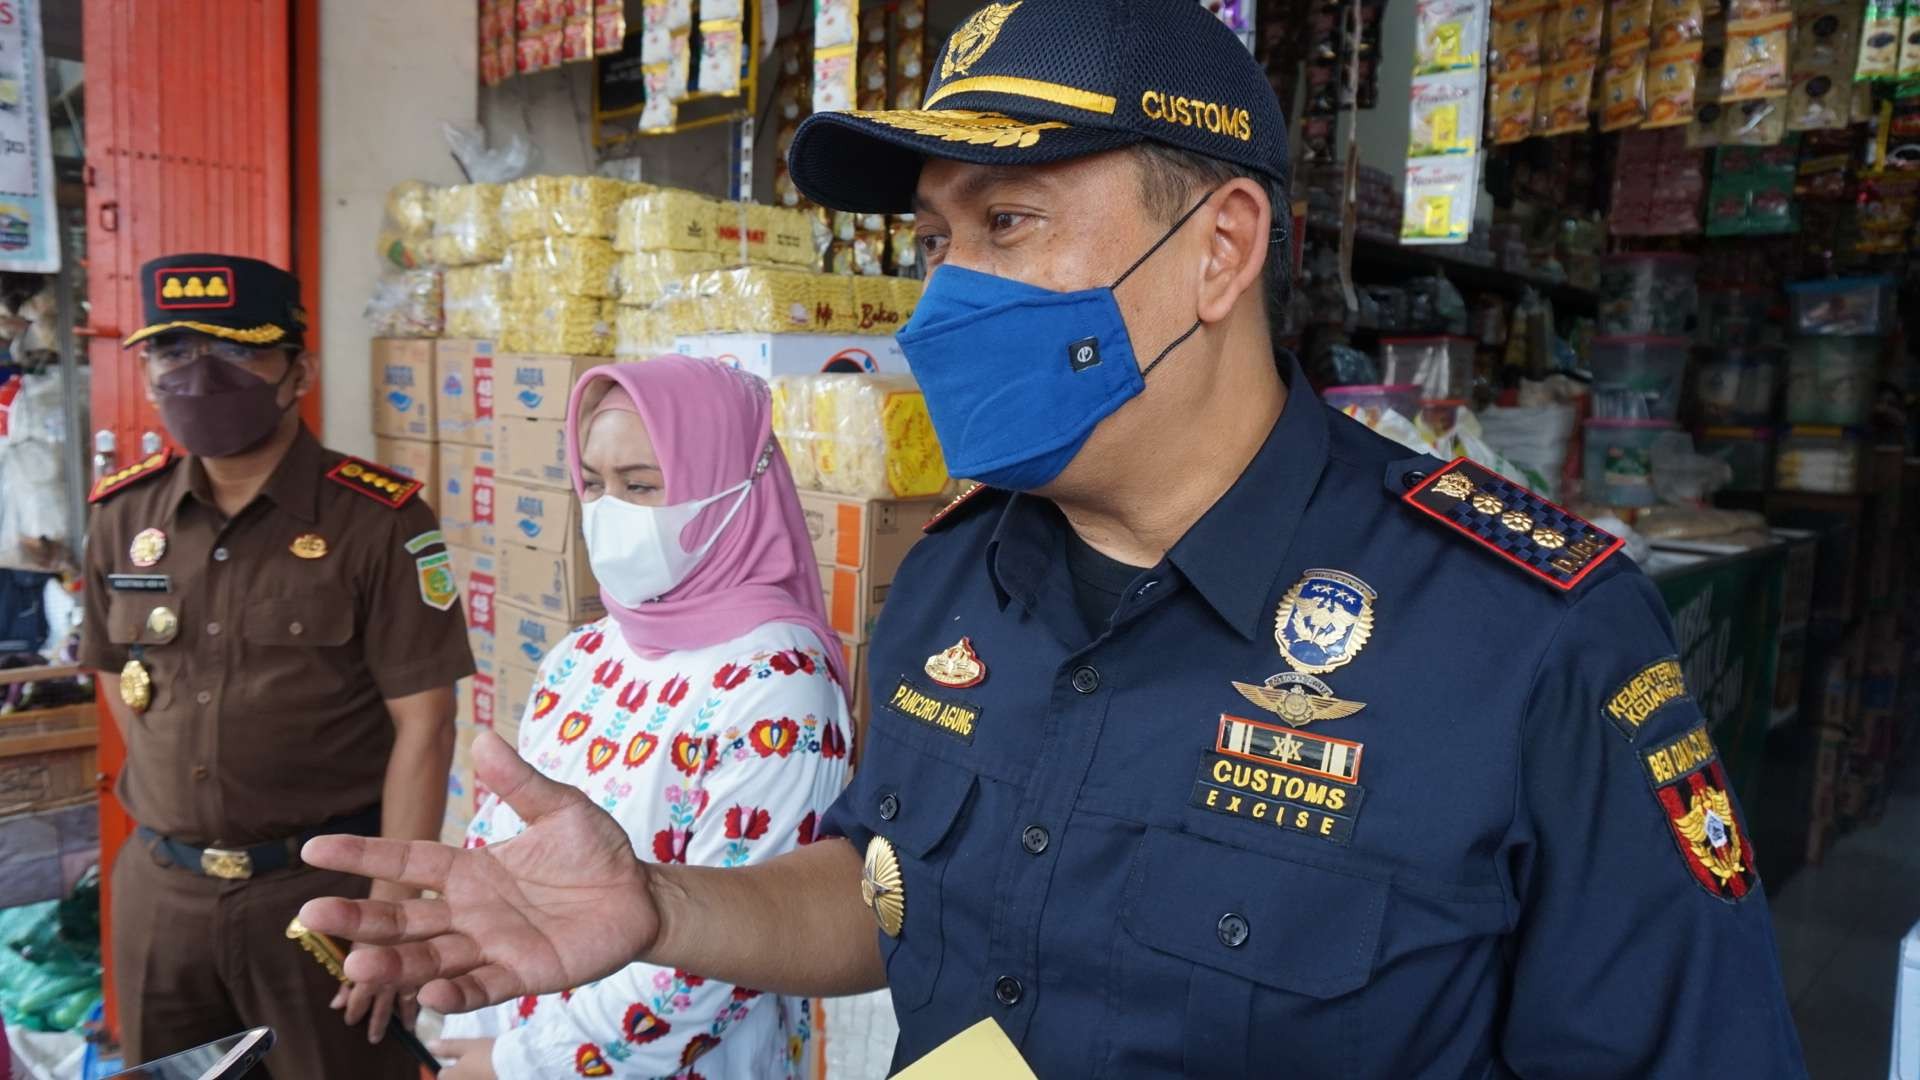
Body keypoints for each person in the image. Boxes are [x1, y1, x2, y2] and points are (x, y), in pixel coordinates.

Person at [296, 2, 1810, 1075]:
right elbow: (891, 890)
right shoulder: (959, 575)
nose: (948, 296)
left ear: (1218, 250)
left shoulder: (1530, 640)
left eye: (1008, 225)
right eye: (939, 238)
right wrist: (660, 907)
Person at [77, 254, 473, 1079]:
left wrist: (389, 915)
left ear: (298, 370)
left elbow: (426, 730)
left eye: (235, 351)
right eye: (173, 351)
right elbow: (121, 681)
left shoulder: (379, 520)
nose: (200, 375)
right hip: (163, 892)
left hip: (319, 898)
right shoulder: (125, 515)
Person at [430, 358, 855, 1078]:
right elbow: (499, 852)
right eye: (592, 483)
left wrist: (527, 1066)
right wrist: (462, 1012)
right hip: (515, 1028)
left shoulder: (780, 683)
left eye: (641, 485)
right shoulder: (583, 654)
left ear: (732, 490)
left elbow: (729, 957)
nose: (608, 510)